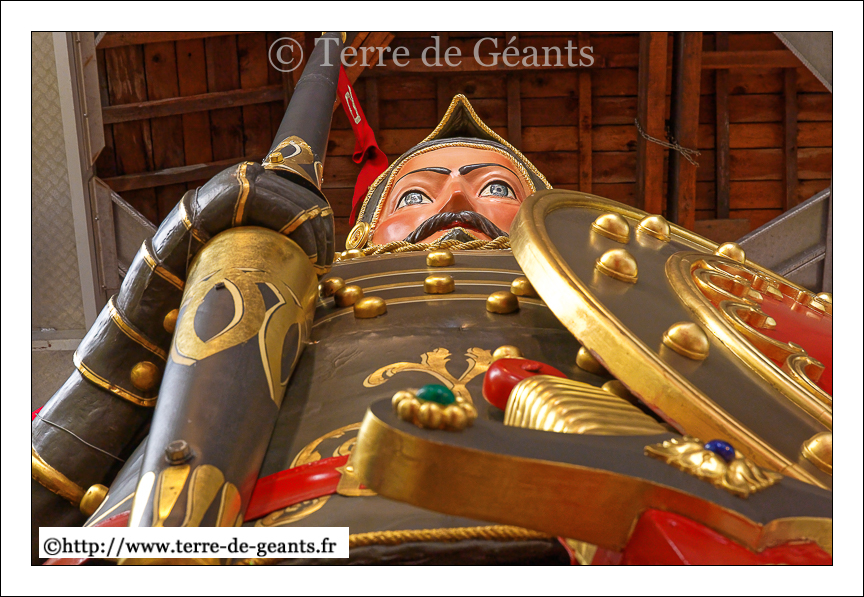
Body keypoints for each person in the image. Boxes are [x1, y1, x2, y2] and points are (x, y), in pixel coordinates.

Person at [33, 33, 831, 566]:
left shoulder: (633, 303)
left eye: (493, 187)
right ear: (364, 228)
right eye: (416, 191)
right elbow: (41, 490)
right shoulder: (290, 279)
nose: (453, 198)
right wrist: (168, 279)